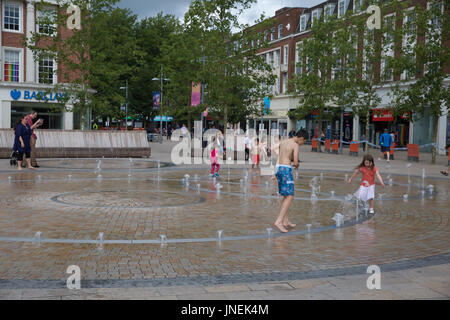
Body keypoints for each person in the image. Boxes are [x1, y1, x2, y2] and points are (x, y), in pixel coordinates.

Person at [273, 130, 307, 233]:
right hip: (286, 169)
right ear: (301, 138)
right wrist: (296, 165)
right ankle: (279, 221)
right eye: (304, 142)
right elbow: (296, 162)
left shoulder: (283, 142)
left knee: (285, 195)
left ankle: (285, 220)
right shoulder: (295, 145)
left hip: (278, 168)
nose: (302, 144)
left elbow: (279, 155)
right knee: (290, 196)